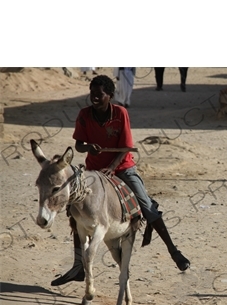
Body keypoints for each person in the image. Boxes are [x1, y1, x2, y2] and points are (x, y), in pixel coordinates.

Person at [51, 74, 190, 286]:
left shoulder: (120, 113)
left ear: (110, 96)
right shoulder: (84, 115)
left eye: (100, 95)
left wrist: (112, 168)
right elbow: (79, 144)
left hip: (122, 167)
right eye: (92, 94)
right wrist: (88, 148)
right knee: (74, 210)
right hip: (94, 170)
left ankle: (173, 251)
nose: (95, 98)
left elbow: (125, 147)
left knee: (146, 206)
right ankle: (78, 266)